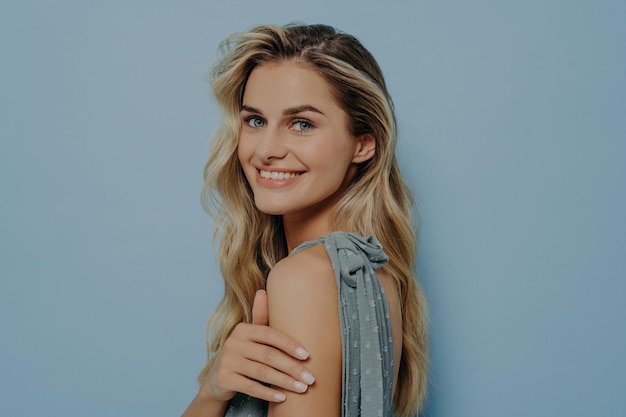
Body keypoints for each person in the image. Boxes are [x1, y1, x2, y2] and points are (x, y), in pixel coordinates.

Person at [182, 23, 428, 417]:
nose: (266, 150)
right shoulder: (368, 269)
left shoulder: (305, 277)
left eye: (302, 124)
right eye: (255, 121)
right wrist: (213, 391)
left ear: (363, 143)